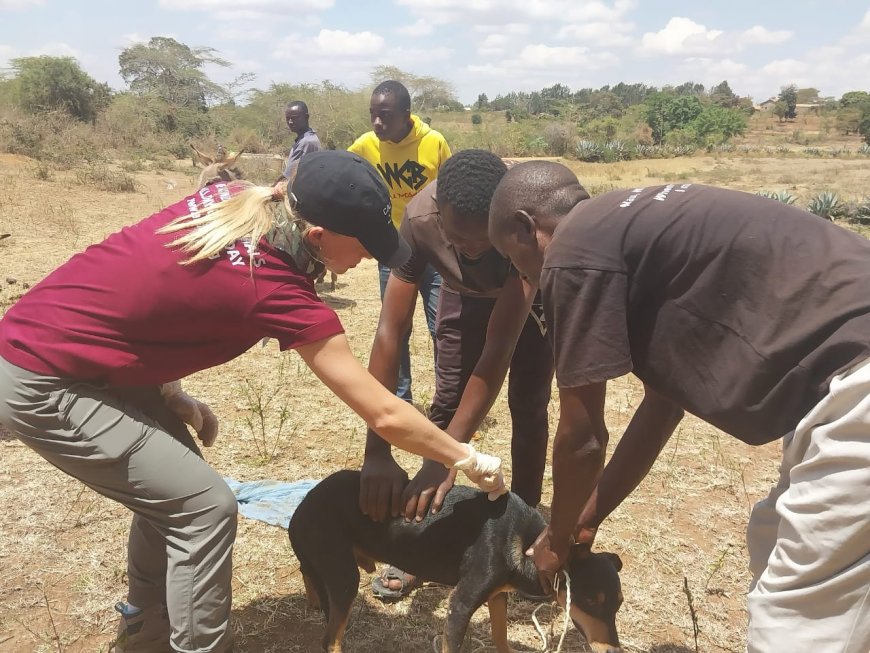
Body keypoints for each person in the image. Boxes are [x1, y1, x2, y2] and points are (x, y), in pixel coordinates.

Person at [0, 150, 506, 653]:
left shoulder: (233, 200)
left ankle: (146, 625)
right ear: (317, 237)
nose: (371, 257)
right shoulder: (271, 283)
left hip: (70, 352)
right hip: (42, 375)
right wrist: (466, 457)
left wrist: (163, 388)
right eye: (365, 246)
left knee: (176, 486)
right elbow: (383, 410)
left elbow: (152, 293)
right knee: (202, 507)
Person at [488, 161, 870, 653]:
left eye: (513, 260)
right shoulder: (629, 226)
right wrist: (587, 516)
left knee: (796, 620)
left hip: (855, 384)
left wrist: (557, 540)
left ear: (525, 226)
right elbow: (665, 404)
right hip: (840, 377)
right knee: (772, 536)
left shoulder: (571, 251)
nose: (524, 277)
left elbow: (582, 438)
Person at [360, 150, 553, 599]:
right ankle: (425, 540)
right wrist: (377, 449)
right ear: (439, 215)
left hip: (531, 298)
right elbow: (391, 330)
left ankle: (522, 532)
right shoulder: (419, 219)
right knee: (447, 404)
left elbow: (498, 350)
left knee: (528, 407)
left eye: (481, 242)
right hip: (464, 299)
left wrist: (447, 458)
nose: (468, 250)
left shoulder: (518, 228)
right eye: (456, 237)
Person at [348, 80, 451, 403]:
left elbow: (451, 189)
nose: (378, 123)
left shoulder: (433, 143)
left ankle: (447, 402)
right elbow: (341, 172)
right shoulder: (366, 145)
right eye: (373, 115)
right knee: (395, 329)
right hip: (393, 252)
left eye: (385, 115)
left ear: (406, 114)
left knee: (442, 330)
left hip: (435, 251)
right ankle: (399, 399)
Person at [275, 100, 322, 183]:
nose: (290, 122)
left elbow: (288, 177)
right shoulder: (305, 139)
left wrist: (271, 188)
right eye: (287, 118)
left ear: (306, 117)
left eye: (294, 118)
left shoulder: (306, 142)